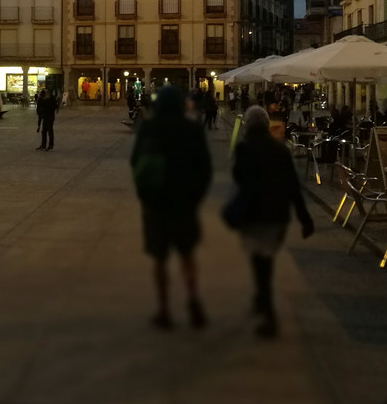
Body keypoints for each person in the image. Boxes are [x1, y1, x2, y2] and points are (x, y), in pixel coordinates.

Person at [227, 104, 314, 338]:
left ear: (247, 125)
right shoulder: (280, 150)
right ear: (266, 125)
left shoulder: (244, 148)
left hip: (254, 214)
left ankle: (268, 314)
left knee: (260, 263)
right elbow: (294, 187)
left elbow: (238, 176)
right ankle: (261, 300)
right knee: (266, 262)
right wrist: (305, 218)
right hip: (277, 216)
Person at [130, 85, 212, 330]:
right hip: (184, 203)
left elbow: (136, 163)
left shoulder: (149, 127)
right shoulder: (192, 129)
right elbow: (205, 168)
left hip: (156, 204)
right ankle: (193, 299)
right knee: (187, 256)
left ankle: (164, 308)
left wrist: (145, 197)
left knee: (160, 259)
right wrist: (195, 198)